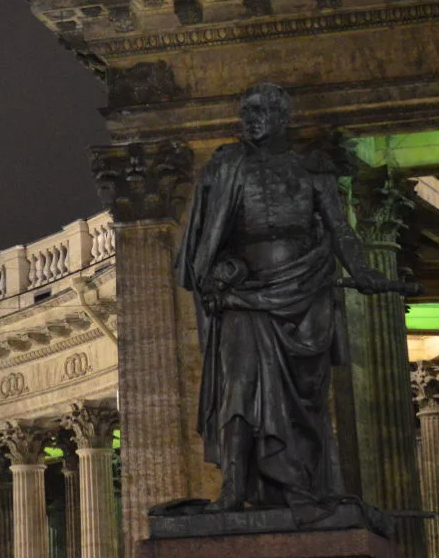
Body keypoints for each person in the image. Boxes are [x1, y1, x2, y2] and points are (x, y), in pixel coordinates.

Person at [175, 82, 419, 521]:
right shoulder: (225, 167)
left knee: (304, 399)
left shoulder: (311, 169)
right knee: (238, 388)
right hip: (244, 296)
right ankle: (232, 487)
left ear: (283, 117)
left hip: (304, 290)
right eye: (245, 111)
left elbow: (339, 228)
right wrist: (218, 273)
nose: (248, 119)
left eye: (259, 110)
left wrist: (362, 272)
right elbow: (204, 240)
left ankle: (301, 483)